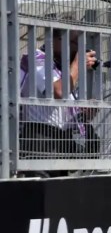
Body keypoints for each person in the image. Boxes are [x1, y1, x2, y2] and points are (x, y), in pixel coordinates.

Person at [19, 28, 99, 158]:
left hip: (62, 139)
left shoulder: (62, 68)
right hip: (41, 138)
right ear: (55, 41)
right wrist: (77, 65)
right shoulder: (36, 58)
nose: (78, 49)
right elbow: (59, 92)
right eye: (74, 42)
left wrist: (84, 111)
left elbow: (62, 108)